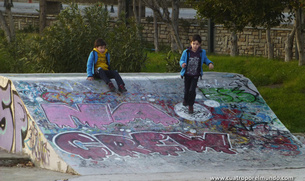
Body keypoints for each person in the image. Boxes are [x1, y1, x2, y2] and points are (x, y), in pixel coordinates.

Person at [180, 34, 214, 114]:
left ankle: (191, 105)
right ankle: (185, 99)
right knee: (186, 90)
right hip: (187, 74)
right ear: (191, 43)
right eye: (194, 43)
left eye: (197, 44)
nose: (195, 46)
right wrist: (182, 63)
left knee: (192, 90)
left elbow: (205, 59)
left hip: (195, 75)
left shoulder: (201, 52)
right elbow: (181, 60)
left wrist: (209, 63)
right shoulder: (186, 52)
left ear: (200, 44)